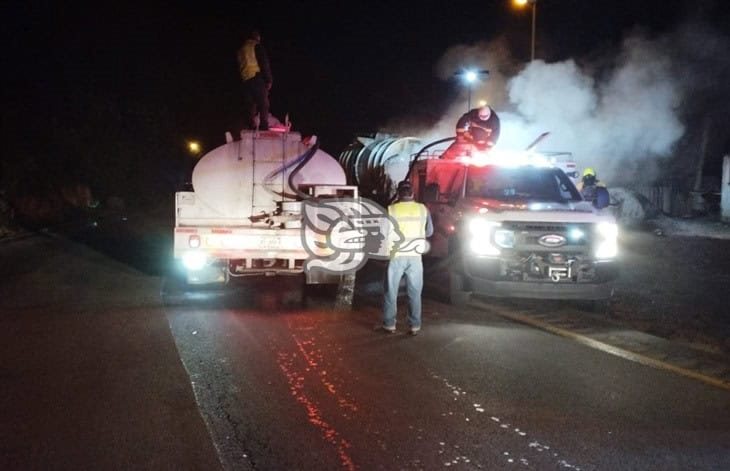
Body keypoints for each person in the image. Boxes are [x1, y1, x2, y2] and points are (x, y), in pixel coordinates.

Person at [378, 181, 433, 336]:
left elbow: (383, 232)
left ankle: (389, 325)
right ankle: (414, 325)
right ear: (412, 193)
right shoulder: (423, 209)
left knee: (391, 291)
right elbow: (429, 232)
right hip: (415, 256)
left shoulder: (391, 210)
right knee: (415, 292)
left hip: (397, 255)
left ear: (399, 193)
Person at [237, 29, 273, 131]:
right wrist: (269, 80)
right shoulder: (256, 46)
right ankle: (264, 126)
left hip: (245, 80)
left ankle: (251, 125)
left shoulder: (241, 50)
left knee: (250, 105)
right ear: (256, 38)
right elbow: (264, 63)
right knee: (263, 103)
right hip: (256, 78)